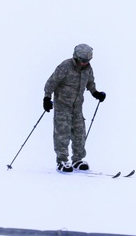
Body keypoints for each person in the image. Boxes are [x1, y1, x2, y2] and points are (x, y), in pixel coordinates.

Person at [43, 43, 106, 172]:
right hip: (62, 105)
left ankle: (77, 159)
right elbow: (51, 82)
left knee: (79, 134)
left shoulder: (88, 69)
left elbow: (90, 83)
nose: (85, 63)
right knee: (62, 134)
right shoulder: (65, 66)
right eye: (83, 60)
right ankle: (62, 161)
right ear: (76, 58)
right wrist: (47, 98)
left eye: (88, 60)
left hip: (77, 107)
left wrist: (96, 93)